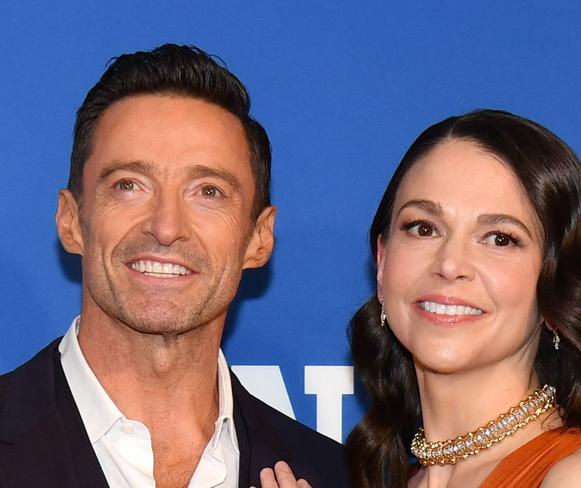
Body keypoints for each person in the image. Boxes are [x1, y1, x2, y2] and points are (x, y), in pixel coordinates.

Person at [0, 44, 348, 488]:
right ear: (71, 222)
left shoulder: (331, 473)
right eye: (129, 185)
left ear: (258, 239)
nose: (165, 227)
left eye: (208, 192)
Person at [345, 110, 581, 487]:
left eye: (500, 238)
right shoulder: (405, 479)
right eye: (423, 228)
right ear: (382, 261)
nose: (451, 264)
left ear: (559, 286)